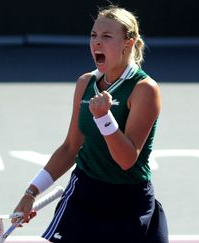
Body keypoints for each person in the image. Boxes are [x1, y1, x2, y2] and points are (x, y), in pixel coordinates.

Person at [12, 4, 169, 243]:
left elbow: (127, 160)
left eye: (107, 36)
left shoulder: (144, 90)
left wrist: (104, 118)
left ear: (128, 42)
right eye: (94, 35)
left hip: (129, 203)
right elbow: (70, 148)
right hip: (84, 196)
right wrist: (30, 193)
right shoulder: (85, 83)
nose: (97, 42)